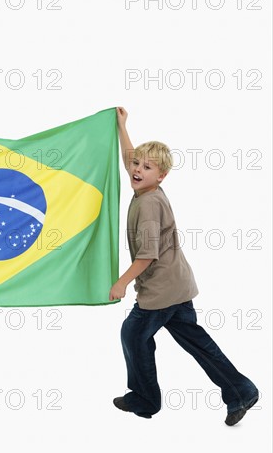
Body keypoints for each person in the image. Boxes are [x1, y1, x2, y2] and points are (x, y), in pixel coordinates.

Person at [110, 107, 258, 426]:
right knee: (197, 343)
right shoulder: (146, 185)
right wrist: (123, 126)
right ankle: (241, 390)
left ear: (161, 176)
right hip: (178, 285)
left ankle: (146, 399)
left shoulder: (148, 203)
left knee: (133, 333)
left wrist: (121, 283)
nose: (136, 169)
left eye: (146, 167)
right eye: (136, 164)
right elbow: (129, 156)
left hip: (162, 290)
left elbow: (147, 255)